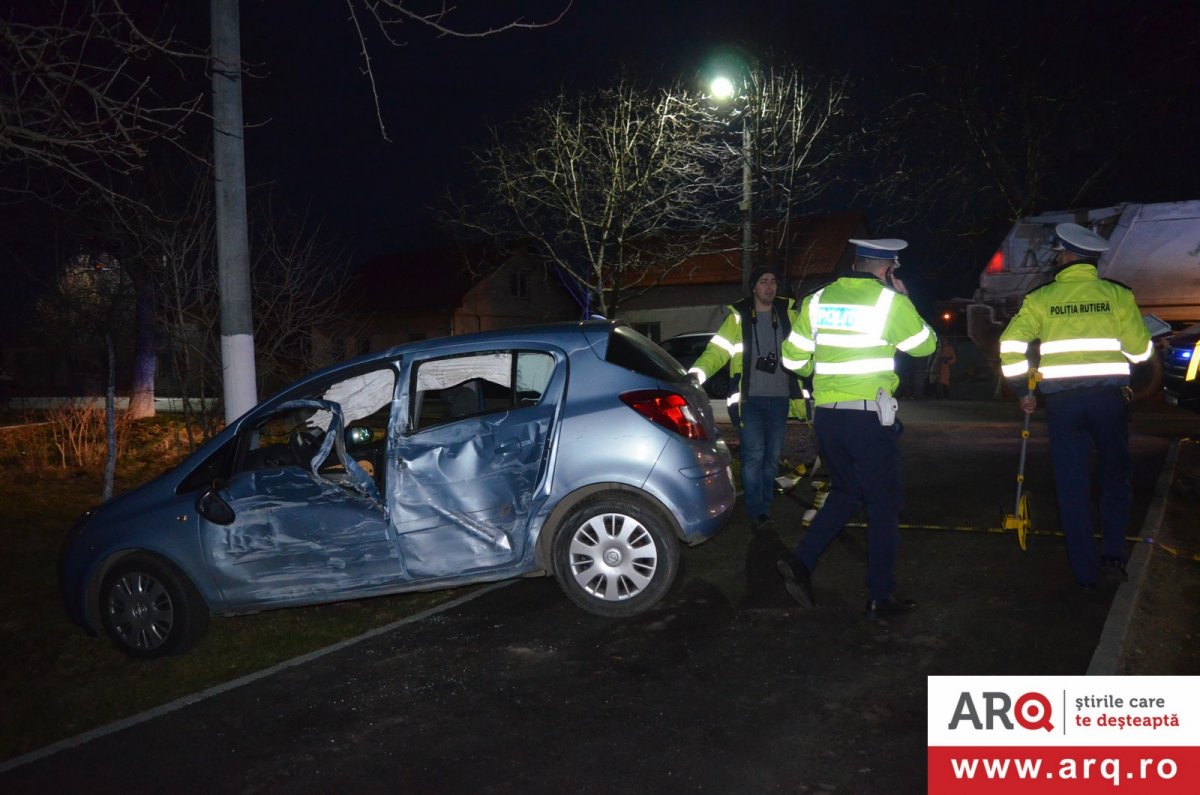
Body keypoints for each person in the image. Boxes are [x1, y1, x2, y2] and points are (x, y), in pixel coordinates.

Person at [775, 238, 937, 619]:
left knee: (846, 492)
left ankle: (801, 561)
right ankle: (880, 595)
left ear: (856, 263)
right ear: (887, 268)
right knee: (883, 505)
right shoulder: (890, 303)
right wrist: (905, 298)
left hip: (828, 416)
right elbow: (925, 346)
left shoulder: (816, 300)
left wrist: (827, 370)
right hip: (867, 418)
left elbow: (792, 359)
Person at [998, 222, 1152, 589]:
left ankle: (1084, 571)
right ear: (1092, 261)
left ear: (1065, 256)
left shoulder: (1041, 298)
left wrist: (1022, 388)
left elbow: (1009, 346)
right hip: (1108, 402)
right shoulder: (1118, 295)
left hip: (1063, 405)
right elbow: (1140, 352)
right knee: (1115, 477)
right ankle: (1113, 556)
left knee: (1072, 484)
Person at [690, 266, 809, 532]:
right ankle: (758, 512)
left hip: (779, 398)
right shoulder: (739, 317)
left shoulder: (790, 313)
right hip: (750, 400)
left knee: (771, 458)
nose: (770, 286)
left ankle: (764, 504)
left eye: (774, 281)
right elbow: (716, 352)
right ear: (754, 287)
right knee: (754, 456)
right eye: (764, 282)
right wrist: (696, 375)